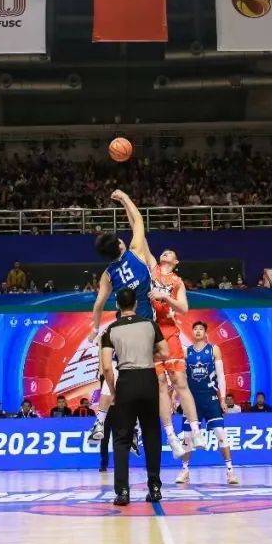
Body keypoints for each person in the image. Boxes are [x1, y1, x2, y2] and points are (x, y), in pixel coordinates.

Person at [88, 190, 157, 443]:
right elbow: (138, 221)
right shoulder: (136, 252)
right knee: (143, 376)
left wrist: (95, 329)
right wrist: (125, 198)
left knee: (118, 374)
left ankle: (100, 421)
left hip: (121, 327)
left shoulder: (108, 274)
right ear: (120, 245)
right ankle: (136, 427)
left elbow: (98, 305)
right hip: (145, 324)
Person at [100, 287, 168, 506]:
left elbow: (107, 367)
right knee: (151, 434)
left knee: (121, 438)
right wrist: (147, 354)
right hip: (148, 379)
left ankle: (122, 492)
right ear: (136, 304)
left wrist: (113, 391)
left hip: (126, 382)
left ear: (117, 305)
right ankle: (155, 487)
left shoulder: (110, 330)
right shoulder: (150, 324)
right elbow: (165, 352)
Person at [150, 249, 202, 457]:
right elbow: (141, 240)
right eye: (163, 252)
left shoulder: (177, 282)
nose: (165, 253)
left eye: (170, 253)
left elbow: (184, 307)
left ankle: (196, 430)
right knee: (161, 385)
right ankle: (171, 437)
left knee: (180, 381)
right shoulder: (152, 268)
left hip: (169, 331)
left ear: (176, 261)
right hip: (150, 333)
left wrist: (165, 297)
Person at [175, 321, 239, 486]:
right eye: (195, 329)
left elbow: (221, 375)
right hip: (192, 400)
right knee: (187, 437)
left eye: (201, 329)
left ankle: (230, 471)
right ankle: (184, 470)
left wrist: (222, 398)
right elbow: (181, 378)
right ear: (192, 332)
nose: (197, 331)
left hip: (210, 399)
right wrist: (176, 397)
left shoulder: (213, 350)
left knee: (220, 433)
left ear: (205, 333)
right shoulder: (186, 352)